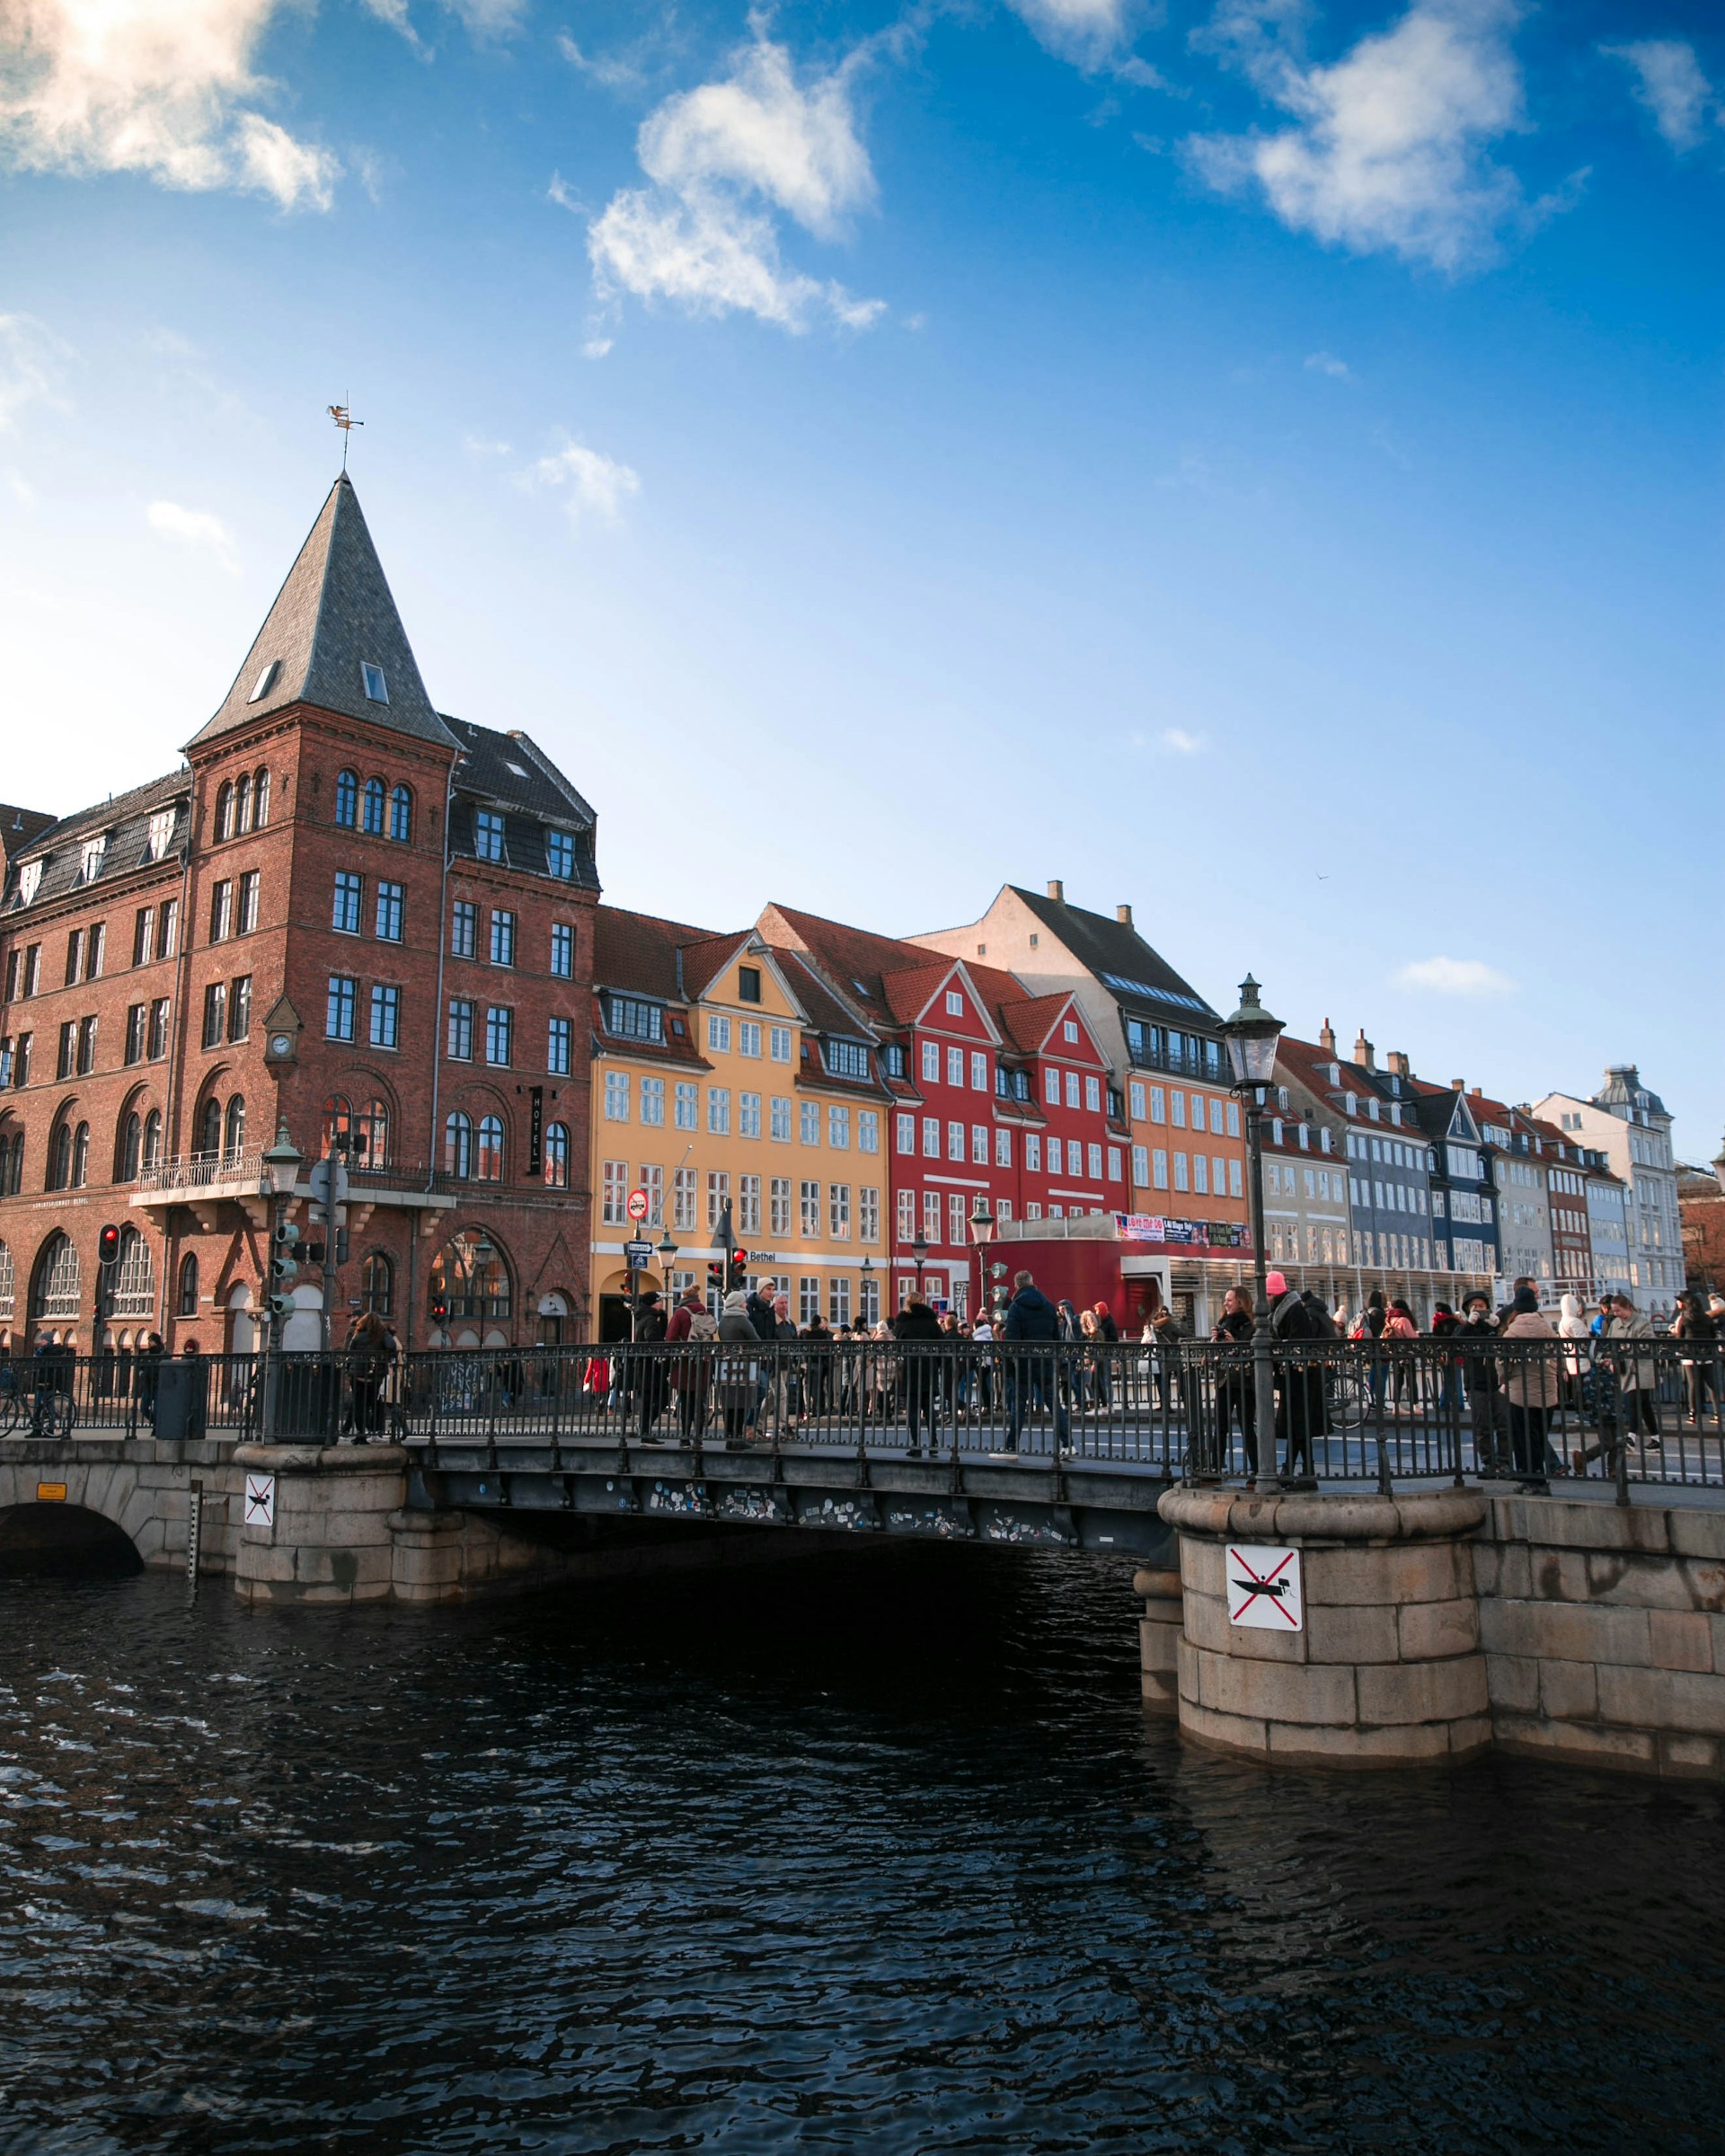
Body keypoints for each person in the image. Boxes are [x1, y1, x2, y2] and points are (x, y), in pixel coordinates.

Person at [1000, 1270, 1068, 1456]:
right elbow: (1056, 1335)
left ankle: (1012, 1445)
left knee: (1019, 1405)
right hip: (1046, 1359)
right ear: (1032, 1282)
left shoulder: (1016, 1306)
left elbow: (1012, 1338)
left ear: (1017, 1286)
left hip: (1024, 1362)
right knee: (1053, 1403)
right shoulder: (1047, 1305)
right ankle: (1068, 1443)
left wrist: (1009, 1362)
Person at [1498, 1286, 1559, 1491]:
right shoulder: (1547, 1328)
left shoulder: (1512, 1332)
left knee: (1523, 1438)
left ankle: (1531, 1478)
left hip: (1521, 1392)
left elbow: (1503, 1364)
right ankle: (1539, 1478)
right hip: (1548, 1391)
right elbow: (1558, 1355)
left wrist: (1504, 1378)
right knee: (1540, 1436)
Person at [1268, 1270, 1326, 1480]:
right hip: (1293, 1376)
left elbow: (1296, 1343)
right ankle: (1302, 1471)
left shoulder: (1292, 1311)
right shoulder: (1286, 1310)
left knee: (1297, 1424)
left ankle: (1291, 1470)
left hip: (1299, 1376)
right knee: (1298, 1426)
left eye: (1266, 1294)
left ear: (1273, 1294)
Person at [1457, 1291, 1508, 1474]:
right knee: (1482, 1426)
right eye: (1475, 1306)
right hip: (1476, 1383)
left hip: (1497, 1381)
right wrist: (1470, 1324)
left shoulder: (1493, 1327)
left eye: (1482, 1306)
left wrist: (1497, 1327)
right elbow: (1456, 1342)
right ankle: (1489, 1463)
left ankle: (1505, 1462)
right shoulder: (1465, 1327)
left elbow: (1505, 1344)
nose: (1479, 1310)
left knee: (1503, 1424)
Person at [892, 1292, 943, 1454]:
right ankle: (933, 1442)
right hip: (929, 1365)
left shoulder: (903, 1322)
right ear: (922, 1302)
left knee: (913, 1408)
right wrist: (939, 1363)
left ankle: (916, 1444)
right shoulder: (930, 1321)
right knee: (929, 1407)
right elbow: (941, 1342)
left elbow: (897, 1344)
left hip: (911, 1366)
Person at [1211, 1286, 1255, 1475]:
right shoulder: (1224, 1322)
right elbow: (1216, 1352)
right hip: (1224, 1381)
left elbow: (1252, 1351)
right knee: (1220, 1426)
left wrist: (1233, 1343)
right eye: (1225, 1300)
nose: (1225, 1303)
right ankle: (1215, 1465)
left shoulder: (1251, 1325)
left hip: (1244, 1383)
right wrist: (1214, 1342)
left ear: (1240, 1302)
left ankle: (1258, 1468)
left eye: (1229, 1300)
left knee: (1247, 1427)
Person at [666, 1285, 717, 1445]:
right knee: (700, 1400)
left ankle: (685, 1436)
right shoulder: (705, 1312)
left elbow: (671, 1337)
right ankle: (699, 1436)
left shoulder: (681, 1313)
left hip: (685, 1364)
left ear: (684, 1298)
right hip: (703, 1363)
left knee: (686, 1401)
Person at [715, 1289, 762, 1449]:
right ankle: (738, 1437)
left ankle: (729, 1437)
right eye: (743, 1301)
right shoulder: (742, 1319)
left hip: (726, 1365)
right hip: (743, 1365)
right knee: (742, 1402)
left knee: (729, 1403)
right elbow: (755, 1340)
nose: (746, 1304)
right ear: (738, 1304)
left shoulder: (723, 1320)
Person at [343, 1310, 391, 1441]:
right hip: (375, 1375)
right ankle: (371, 1431)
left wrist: (349, 1368)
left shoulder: (358, 1335)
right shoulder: (381, 1335)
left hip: (357, 1374)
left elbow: (350, 1352)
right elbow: (391, 1345)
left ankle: (360, 1434)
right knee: (370, 1404)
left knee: (358, 1405)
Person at [1674, 1288, 1719, 1427]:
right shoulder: (1706, 1317)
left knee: (1693, 1384)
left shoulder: (1684, 1318)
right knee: (1711, 1383)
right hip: (1706, 1353)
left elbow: (1680, 1337)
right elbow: (1712, 1335)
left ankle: (1693, 1413)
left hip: (1690, 1354)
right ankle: (1716, 1412)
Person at [630, 1289, 669, 1443]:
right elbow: (653, 1338)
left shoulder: (643, 1318)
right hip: (651, 1366)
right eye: (659, 1301)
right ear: (653, 1303)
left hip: (644, 1365)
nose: (661, 1304)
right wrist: (664, 1347)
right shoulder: (651, 1320)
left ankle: (645, 1430)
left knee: (648, 1399)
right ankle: (645, 1430)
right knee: (660, 1398)